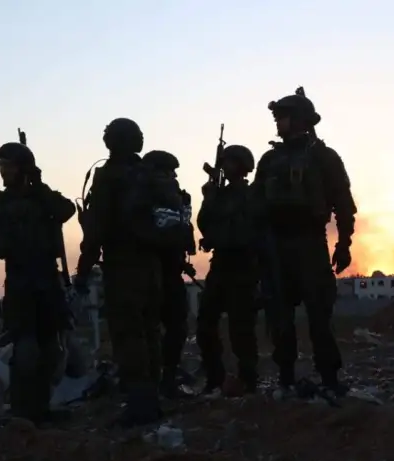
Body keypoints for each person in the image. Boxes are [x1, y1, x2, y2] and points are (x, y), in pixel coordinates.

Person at [74, 118, 188, 427]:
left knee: (128, 334)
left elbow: (96, 229)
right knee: (149, 331)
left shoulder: (110, 177)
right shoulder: (150, 176)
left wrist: (83, 272)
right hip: (152, 267)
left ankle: (140, 405)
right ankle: (151, 398)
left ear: (110, 142)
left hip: (123, 266)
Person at [251, 89, 357, 398]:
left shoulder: (323, 156)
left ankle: (329, 377)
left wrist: (344, 243)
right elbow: (255, 205)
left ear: (297, 119)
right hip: (276, 246)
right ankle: (286, 376)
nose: (277, 122)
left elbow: (343, 203)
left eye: (282, 117)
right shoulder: (270, 159)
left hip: (310, 243)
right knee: (279, 317)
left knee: (319, 316)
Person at [0, 140, 76, 424]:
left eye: (8, 166)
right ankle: (22, 410)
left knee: (51, 350)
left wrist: (39, 185)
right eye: (1, 166)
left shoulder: (43, 201)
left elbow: (66, 210)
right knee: (25, 351)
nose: (3, 172)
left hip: (47, 282)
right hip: (20, 284)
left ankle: (40, 408)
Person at [195, 144, 260, 395]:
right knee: (205, 324)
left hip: (243, 266)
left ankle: (247, 379)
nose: (225, 166)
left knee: (240, 328)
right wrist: (209, 197)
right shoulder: (219, 195)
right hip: (220, 266)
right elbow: (204, 224)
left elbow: (245, 232)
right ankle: (215, 377)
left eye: (230, 162)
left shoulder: (250, 195)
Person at [140, 149, 195, 398]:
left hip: (170, 268)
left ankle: (165, 378)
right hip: (151, 270)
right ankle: (155, 381)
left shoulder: (176, 197)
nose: (172, 177)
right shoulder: (145, 196)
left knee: (172, 327)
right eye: (167, 172)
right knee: (155, 328)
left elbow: (178, 232)